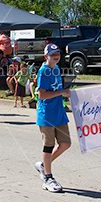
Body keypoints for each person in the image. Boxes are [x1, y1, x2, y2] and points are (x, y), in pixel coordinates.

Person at [33, 44, 71, 193]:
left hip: (59, 112)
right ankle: (48, 178)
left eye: (58, 53)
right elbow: (42, 95)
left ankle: (43, 165)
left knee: (66, 143)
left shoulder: (56, 69)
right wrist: (61, 92)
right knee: (48, 145)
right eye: (52, 54)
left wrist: (64, 94)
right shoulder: (43, 71)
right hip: (47, 113)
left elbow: (56, 90)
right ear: (45, 56)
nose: (56, 56)